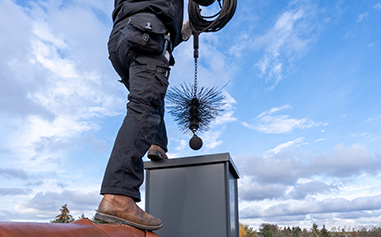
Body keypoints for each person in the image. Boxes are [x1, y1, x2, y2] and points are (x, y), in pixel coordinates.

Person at [94, 0, 192, 232]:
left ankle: (158, 144)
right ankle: (118, 196)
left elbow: (149, 8)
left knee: (150, 97)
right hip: (146, 33)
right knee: (144, 107)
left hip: (121, 39)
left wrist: (184, 31)